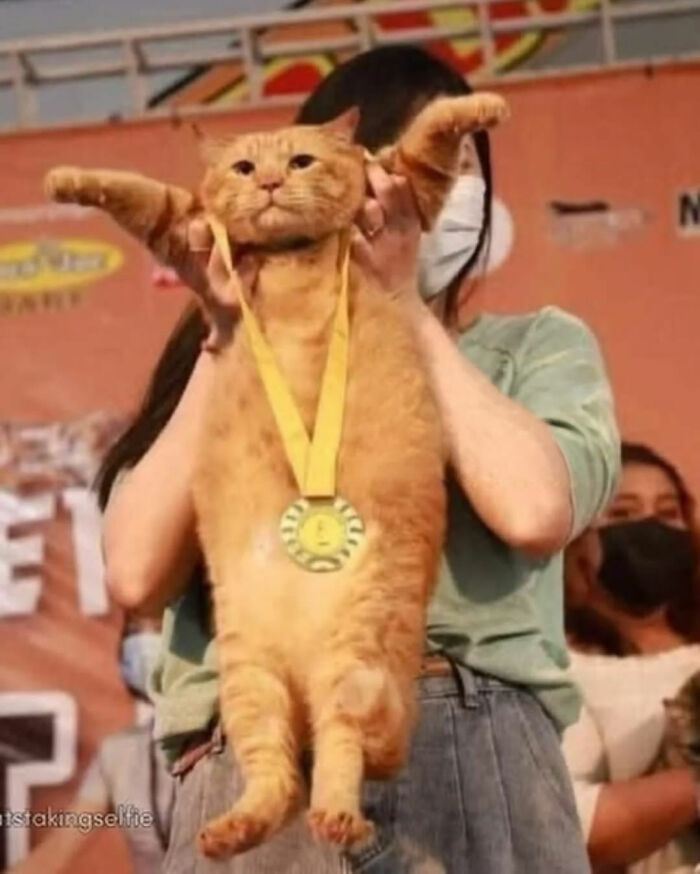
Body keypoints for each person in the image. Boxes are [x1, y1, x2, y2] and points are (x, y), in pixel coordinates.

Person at [98, 45, 620, 873]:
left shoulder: (533, 347)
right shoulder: (235, 354)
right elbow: (132, 573)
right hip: (253, 765)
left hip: (462, 736)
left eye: (452, 166)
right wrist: (230, 334)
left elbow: (533, 510)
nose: (418, 194)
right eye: (389, 169)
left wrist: (399, 307)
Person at [563, 442, 700, 873]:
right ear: (581, 537)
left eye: (666, 514)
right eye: (622, 515)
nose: (650, 531)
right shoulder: (560, 669)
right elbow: (568, 824)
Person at [8, 617, 175, 874]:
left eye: (159, 630)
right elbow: (56, 854)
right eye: (134, 633)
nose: (145, 646)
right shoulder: (120, 754)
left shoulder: (243, 746)